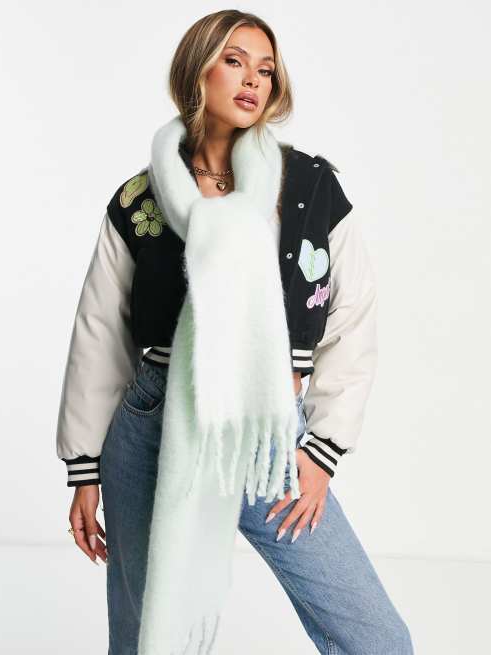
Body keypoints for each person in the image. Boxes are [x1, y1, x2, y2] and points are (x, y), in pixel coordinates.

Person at [56, 9, 414, 655]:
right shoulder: (138, 200)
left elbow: (352, 320)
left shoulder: (309, 187)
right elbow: (99, 334)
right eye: (234, 60)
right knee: (144, 635)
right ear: (197, 70)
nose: (253, 79)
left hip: (266, 429)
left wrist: (322, 449)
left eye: (266, 69)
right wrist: (84, 468)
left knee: (376, 637)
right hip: (153, 420)